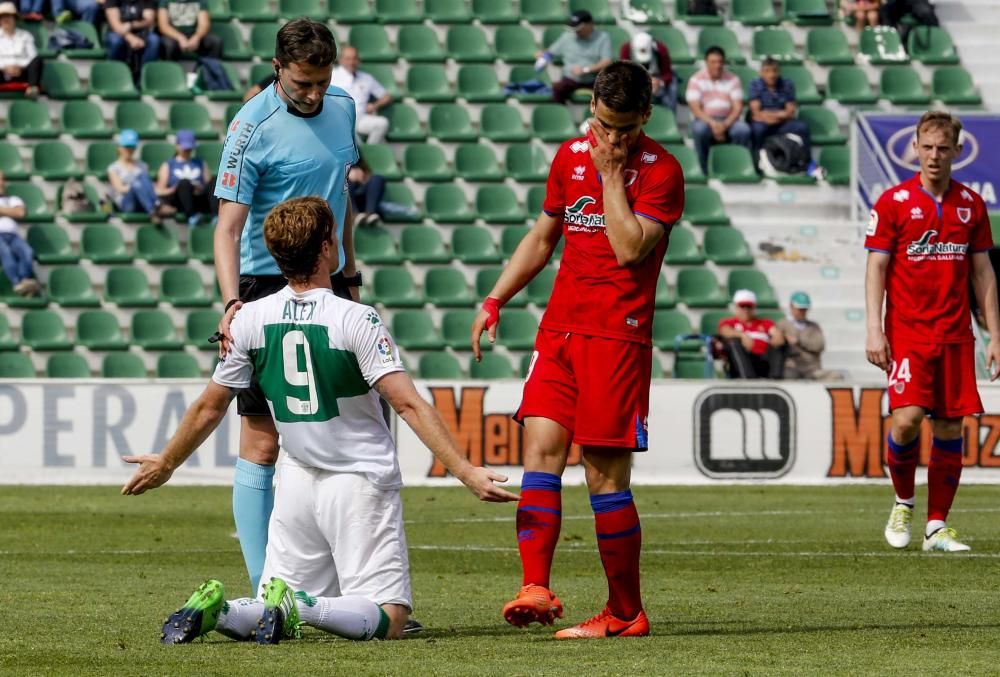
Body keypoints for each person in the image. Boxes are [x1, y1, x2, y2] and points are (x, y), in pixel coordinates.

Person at [122, 197, 518, 645]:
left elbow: (210, 406)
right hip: (358, 480)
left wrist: (167, 462)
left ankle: (223, 610)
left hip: (296, 481)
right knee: (390, 617)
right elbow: (407, 404)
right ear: (328, 247)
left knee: (274, 599)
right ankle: (302, 605)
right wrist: (465, 470)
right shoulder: (356, 318)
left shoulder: (249, 318)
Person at [471, 61, 684, 639]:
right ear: (592, 105)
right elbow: (543, 237)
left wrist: (613, 174)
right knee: (540, 452)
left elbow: (628, 249)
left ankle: (625, 613)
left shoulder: (662, 171)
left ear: (646, 115)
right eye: (606, 125)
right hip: (559, 331)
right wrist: (495, 298)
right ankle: (534, 586)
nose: (614, 139)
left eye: (626, 128)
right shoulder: (567, 158)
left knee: (603, 477)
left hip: (617, 336)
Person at [213, 18, 363, 599]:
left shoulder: (344, 106)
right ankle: (268, 593)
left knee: (339, 433)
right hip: (263, 284)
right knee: (264, 439)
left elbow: (343, 194)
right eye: (303, 83)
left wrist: (350, 271)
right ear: (278, 68)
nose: (315, 94)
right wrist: (231, 305)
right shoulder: (251, 126)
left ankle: (357, 588)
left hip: (330, 280)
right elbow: (227, 230)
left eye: (322, 82)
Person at [865, 111, 1000, 553]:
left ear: (957, 151)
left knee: (949, 427)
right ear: (915, 149)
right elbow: (877, 267)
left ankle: (936, 526)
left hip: (956, 334)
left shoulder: (971, 205)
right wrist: (874, 328)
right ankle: (903, 501)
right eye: (927, 147)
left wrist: (996, 335)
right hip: (907, 333)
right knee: (906, 421)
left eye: (944, 148)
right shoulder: (893, 202)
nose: (935, 156)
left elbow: (983, 273)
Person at [685, 46, 751, 175]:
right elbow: (695, 108)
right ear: (706, 63)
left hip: (728, 120)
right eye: (713, 62)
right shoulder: (696, 79)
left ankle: (736, 167)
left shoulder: (733, 79)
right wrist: (713, 124)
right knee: (700, 130)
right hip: (705, 119)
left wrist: (725, 124)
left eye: (720, 62)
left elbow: (738, 107)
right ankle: (703, 170)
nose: (717, 66)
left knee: (743, 130)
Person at [748, 58, 812, 171]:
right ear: (761, 72)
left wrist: (769, 115)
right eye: (767, 71)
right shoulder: (755, 84)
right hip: (764, 123)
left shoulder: (787, 84)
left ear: (779, 71)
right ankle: (756, 164)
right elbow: (756, 112)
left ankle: (807, 163)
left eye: (774, 70)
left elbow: (790, 112)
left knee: (802, 127)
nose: (771, 74)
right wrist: (780, 114)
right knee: (757, 129)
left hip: (781, 123)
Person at [536, 10, 612, 105]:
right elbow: (551, 52)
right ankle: (561, 116)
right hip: (570, 79)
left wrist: (585, 69)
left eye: (578, 28)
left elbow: (607, 61)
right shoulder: (567, 36)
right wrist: (542, 55)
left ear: (589, 24)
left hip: (593, 79)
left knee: (611, 92)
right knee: (557, 89)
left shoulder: (603, 37)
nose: (576, 31)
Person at [107, 128, 175, 222]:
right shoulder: (113, 168)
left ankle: (154, 209)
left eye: (132, 147)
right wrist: (137, 186)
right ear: (120, 148)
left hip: (142, 202)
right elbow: (120, 188)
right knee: (136, 183)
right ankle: (154, 209)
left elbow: (150, 188)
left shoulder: (142, 165)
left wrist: (170, 190)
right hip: (126, 204)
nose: (129, 150)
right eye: (126, 147)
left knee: (142, 177)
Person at [717, 289, 786, 379]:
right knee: (733, 342)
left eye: (749, 306)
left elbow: (775, 332)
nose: (746, 309)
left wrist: (778, 336)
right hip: (744, 359)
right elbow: (724, 331)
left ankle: (775, 378)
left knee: (780, 344)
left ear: (754, 307)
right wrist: (742, 335)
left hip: (763, 360)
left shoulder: (765, 323)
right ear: (736, 307)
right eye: (742, 306)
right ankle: (747, 377)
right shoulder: (729, 323)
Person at [330, 45, 391, 145]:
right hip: (341, 118)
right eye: (348, 59)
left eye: (354, 59)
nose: (351, 62)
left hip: (361, 118)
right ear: (341, 60)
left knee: (382, 123)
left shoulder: (366, 78)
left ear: (358, 60)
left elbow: (387, 96)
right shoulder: (332, 76)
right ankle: (362, 155)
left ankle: (370, 150)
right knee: (346, 127)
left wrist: (374, 106)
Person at [155, 129, 217, 225]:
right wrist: (174, 189)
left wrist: (200, 188)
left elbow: (208, 185)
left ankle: (215, 216)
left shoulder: (200, 163)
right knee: (184, 183)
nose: (187, 151)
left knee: (214, 180)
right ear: (177, 146)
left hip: (198, 199)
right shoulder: (169, 164)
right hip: (180, 201)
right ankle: (191, 216)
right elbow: (159, 191)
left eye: (189, 148)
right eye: (185, 148)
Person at [776, 291, 840, 380]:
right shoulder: (781, 324)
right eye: (800, 309)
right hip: (791, 368)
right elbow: (776, 343)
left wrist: (799, 341)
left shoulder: (814, 326)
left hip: (812, 369)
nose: (803, 312)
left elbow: (819, 345)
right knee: (787, 377)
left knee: (836, 376)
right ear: (791, 306)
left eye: (805, 309)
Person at [0, 170, 39, 296]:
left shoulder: (13, 199)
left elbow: (20, 213)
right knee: (6, 253)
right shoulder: (11, 204)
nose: (2, 183)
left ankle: (24, 280)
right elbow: (15, 212)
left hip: (13, 235)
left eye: (3, 179)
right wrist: (9, 211)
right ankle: (16, 282)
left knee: (28, 252)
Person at [619, 31, 676, 114]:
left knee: (672, 87)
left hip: (657, 78)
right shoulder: (626, 49)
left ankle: (670, 115)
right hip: (634, 79)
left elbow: (667, 73)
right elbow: (624, 73)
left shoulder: (661, 50)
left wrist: (660, 82)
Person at [105, 0, 160, 83]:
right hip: (117, 33)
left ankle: (143, 79)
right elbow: (116, 26)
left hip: (141, 32)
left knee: (154, 40)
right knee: (116, 41)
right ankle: (115, 77)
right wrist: (131, 38)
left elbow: (149, 20)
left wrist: (131, 25)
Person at [157, 0, 222, 61]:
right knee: (168, 45)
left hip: (193, 34)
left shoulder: (200, 1)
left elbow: (204, 24)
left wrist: (196, 37)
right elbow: (163, 26)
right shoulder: (165, 1)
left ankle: (209, 69)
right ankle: (171, 71)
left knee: (215, 42)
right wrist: (180, 38)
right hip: (173, 36)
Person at [0, 3, 41, 98]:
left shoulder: (25, 35)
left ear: (14, 18)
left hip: (22, 72)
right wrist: (5, 68)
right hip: (2, 73)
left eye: (8, 16)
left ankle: (32, 88)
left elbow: (32, 56)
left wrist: (19, 67)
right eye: (2, 17)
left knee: (37, 60)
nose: (5, 19)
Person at [348, 158, 384, 227]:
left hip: (360, 187)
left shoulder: (351, 148)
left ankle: (370, 214)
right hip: (344, 194)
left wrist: (363, 175)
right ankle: (354, 214)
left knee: (377, 179)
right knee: (344, 182)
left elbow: (364, 166)